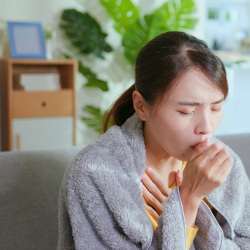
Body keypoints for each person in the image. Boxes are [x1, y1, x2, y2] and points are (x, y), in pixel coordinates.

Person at [57, 31, 250, 250]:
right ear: (141, 106)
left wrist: (191, 221)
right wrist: (188, 200)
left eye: (216, 107)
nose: (206, 127)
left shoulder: (222, 163)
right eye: (186, 111)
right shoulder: (96, 174)